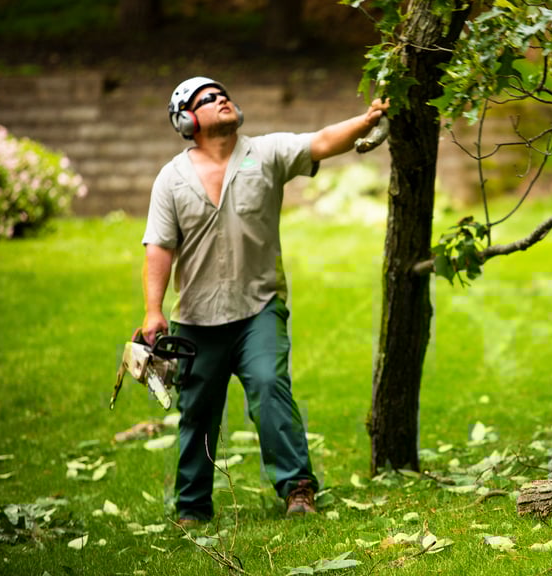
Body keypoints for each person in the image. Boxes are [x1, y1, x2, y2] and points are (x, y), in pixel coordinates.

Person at [140, 76, 388, 522]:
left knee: (270, 388)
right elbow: (159, 247)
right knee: (197, 412)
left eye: (223, 94)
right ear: (186, 120)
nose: (222, 99)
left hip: (259, 307)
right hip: (196, 319)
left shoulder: (266, 153)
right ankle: (192, 506)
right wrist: (153, 310)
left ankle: (298, 489)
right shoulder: (171, 179)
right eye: (207, 99)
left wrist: (367, 120)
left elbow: (322, 141)